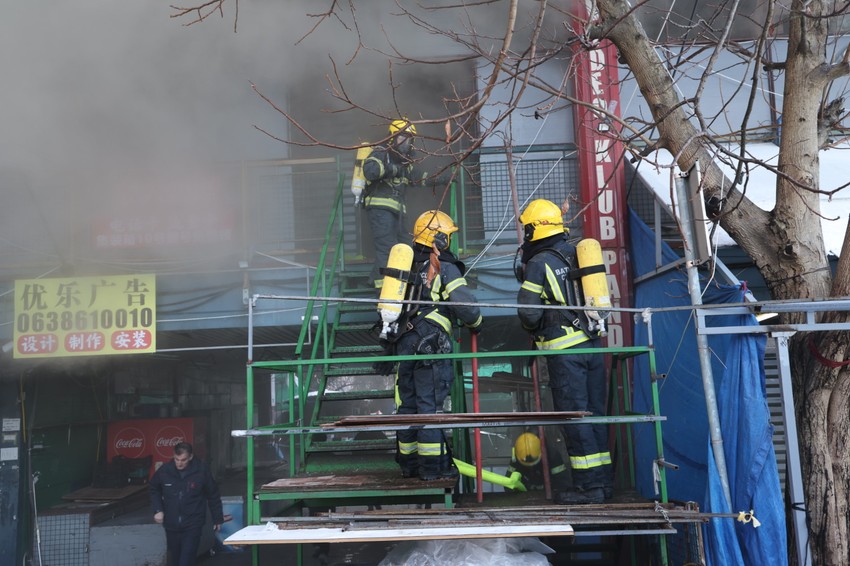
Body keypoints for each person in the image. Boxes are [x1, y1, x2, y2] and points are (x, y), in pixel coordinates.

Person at [516, 198, 613, 504]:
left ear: (533, 230)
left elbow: (528, 313)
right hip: (593, 346)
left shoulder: (538, 263)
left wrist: (533, 328)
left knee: (575, 417)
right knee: (595, 415)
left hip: (565, 353)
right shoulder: (577, 253)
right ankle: (603, 483)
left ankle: (588, 488)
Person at [394, 210, 482, 481]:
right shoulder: (444, 265)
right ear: (440, 239)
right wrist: (477, 322)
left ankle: (409, 465)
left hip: (404, 343)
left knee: (408, 406)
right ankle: (432, 469)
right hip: (430, 344)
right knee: (429, 408)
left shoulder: (406, 265)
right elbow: (465, 307)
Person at [361, 118, 428, 290]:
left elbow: (418, 178)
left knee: (407, 246)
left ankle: (387, 283)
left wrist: (445, 178)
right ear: (392, 137)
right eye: (401, 137)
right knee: (387, 249)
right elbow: (370, 170)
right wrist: (393, 169)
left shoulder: (405, 162)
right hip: (380, 209)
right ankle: (383, 290)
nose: (405, 142)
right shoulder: (381, 152)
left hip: (398, 212)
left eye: (409, 139)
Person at [149, 442, 224, 566]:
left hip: (193, 523)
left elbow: (213, 495)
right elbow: (154, 488)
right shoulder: (165, 470)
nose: (179, 463)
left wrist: (217, 519)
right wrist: (158, 509)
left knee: (186, 560)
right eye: (176, 459)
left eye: (183, 460)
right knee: (174, 560)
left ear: (190, 457)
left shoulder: (201, 470)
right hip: (171, 524)